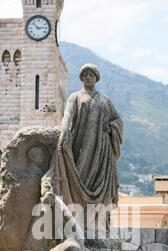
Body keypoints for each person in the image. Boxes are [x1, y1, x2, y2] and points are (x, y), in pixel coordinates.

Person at [42, 63, 123, 214]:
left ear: (96, 77)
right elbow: (68, 115)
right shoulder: (76, 97)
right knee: (78, 174)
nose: (88, 78)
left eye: (91, 75)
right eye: (85, 75)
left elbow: (117, 119)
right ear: (81, 78)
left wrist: (111, 128)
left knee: (98, 180)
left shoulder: (105, 100)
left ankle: (96, 217)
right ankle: (76, 211)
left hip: (101, 149)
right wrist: (64, 131)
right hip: (81, 146)